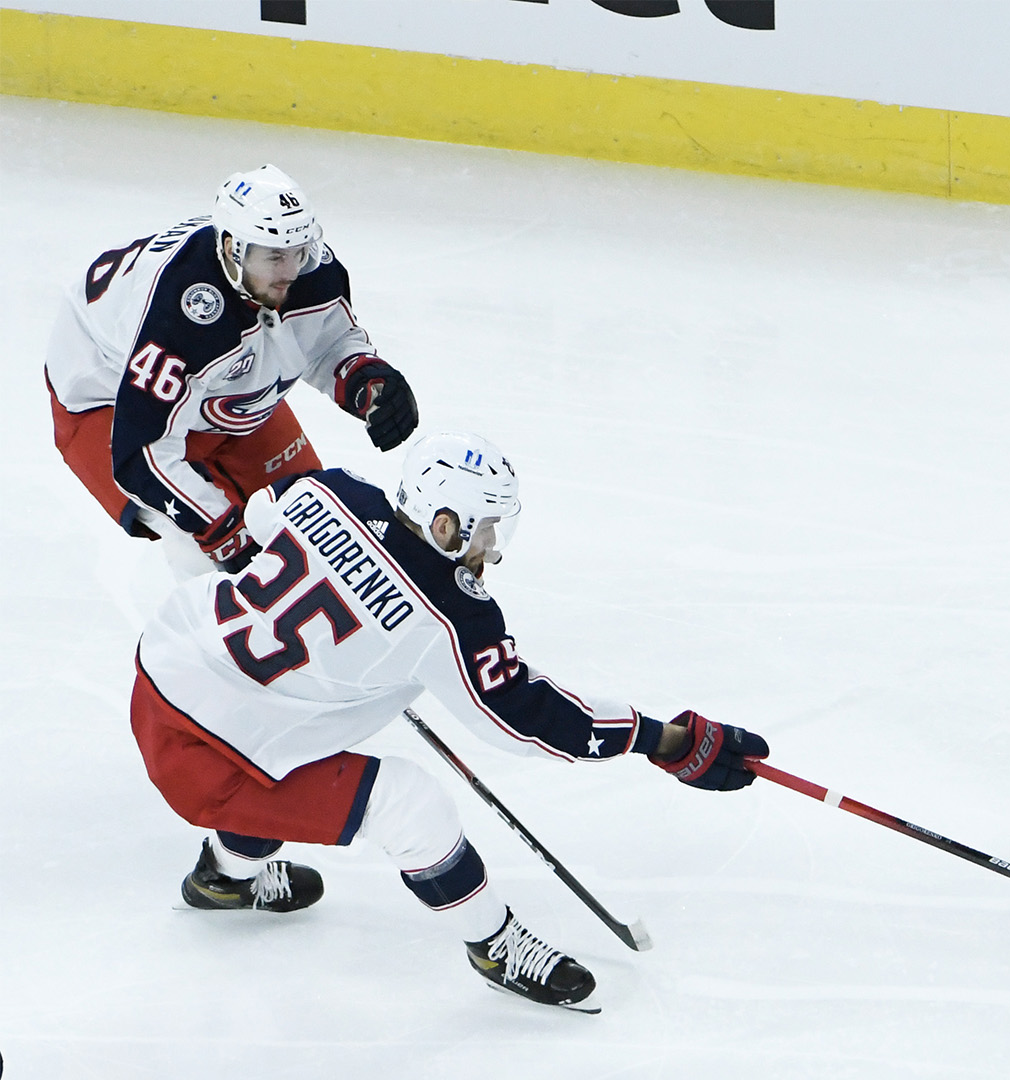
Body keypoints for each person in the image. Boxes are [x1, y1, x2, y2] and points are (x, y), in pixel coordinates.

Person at [127, 432, 770, 1010]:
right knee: (408, 803)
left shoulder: (330, 489)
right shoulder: (453, 619)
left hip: (161, 676)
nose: (492, 549)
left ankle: (223, 877)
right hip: (215, 762)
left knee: (300, 753)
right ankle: (495, 945)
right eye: (486, 529)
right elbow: (531, 720)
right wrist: (666, 740)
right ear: (444, 523)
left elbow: (260, 518)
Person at [45, 164, 419, 575]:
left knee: (314, 525)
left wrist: (368, 380)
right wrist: (223, 531)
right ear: (230, 248)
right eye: (274, 256)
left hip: (219, 389)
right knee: (200, 552)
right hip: (109, 399)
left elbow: (328, 342)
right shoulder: (179, 315)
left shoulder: (310, 271)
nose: (290, 272)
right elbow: (142, 453)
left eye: (298, 251)